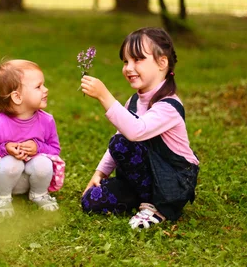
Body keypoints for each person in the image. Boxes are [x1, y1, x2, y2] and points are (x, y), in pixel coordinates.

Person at [80, 27, 199, 229]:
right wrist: (100, 173)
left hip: (172, 180)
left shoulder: (168, 106)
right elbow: (121, 133)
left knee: (122, 143)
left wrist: (104, 96)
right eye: (126, 61)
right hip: (141, 180)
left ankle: (160, 207)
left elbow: (135, 131)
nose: (129, 67)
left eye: (138, 60)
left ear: (162, 62)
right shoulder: (134, 101)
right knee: (91, 200)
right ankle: (141, 199)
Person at [0, 60, 65, 217]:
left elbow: (55, 150)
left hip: (33, 180)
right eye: (38, 86)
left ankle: (39, 194)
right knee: (11, 163)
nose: (46, 90)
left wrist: (38, 147)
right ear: (17, 97)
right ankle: (2, 198)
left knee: (44, 162)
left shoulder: (46, 121)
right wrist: (4, 149)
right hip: (7, 181)